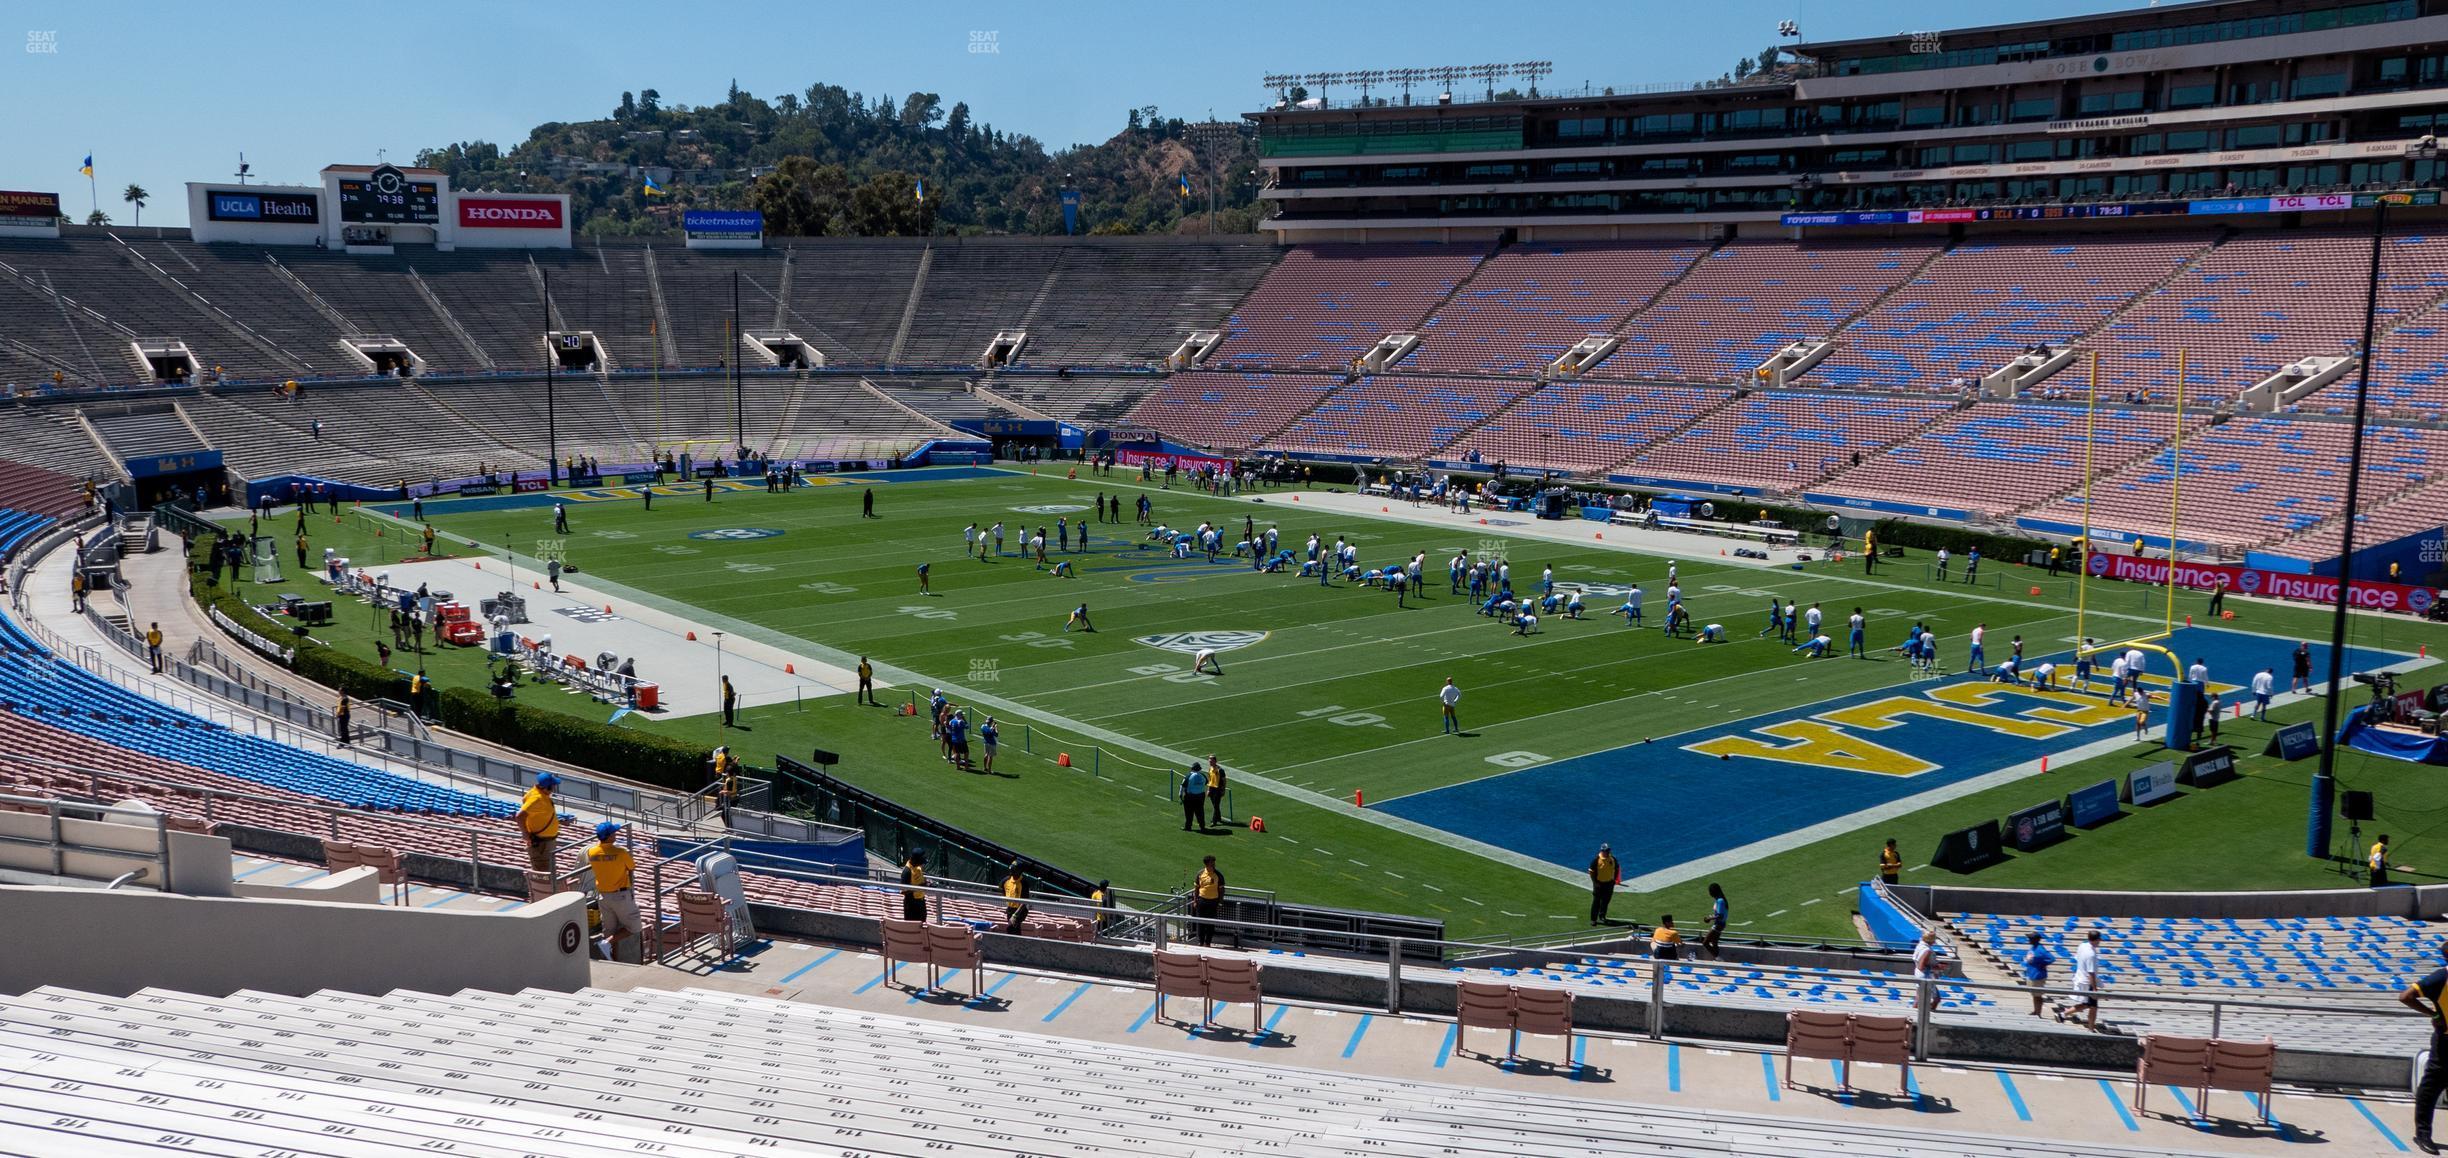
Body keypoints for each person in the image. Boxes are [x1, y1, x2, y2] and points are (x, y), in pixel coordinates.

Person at [2398, 938, 2448, 1152]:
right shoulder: (2441, 978)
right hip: (2446, 1041)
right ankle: (2423, 1135)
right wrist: (2433, 1013)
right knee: (2430, 1088)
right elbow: (2405, 996)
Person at [587, 822, 640, 959]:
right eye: (614, 833)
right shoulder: (621, 852)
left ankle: (608, 956)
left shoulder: (591, 851)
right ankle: (607, 943)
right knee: (634, 927)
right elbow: (631, 867)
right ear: (609, 836)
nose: (616, 834)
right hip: (620, 895)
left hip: (603, 896)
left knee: (609, 929)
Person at [518, 773, 562, 874]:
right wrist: (525, 834)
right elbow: (519, 815)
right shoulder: (536, 798)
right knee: (544, 874)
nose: (554, 788)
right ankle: (546, 890)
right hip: (541, 844)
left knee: (548, 872)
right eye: (553, 786)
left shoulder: (539, 793)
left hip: (546, 843)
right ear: (547, 787)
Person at [2060, 930, 2103, 1030]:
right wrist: (2095, 989)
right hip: (2088, 982)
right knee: (2093, 1007)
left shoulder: (2082, 945)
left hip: (2081, 978)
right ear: (2096, 940)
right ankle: (2091, 1028)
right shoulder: (2091, 954)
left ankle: (2063, 1014)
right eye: (2099, 940)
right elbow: (2091, 973)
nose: (2100, 941)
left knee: (2087, 1004)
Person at [1192, 855, 1227, 948]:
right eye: (1212, 862)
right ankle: (1200, 942)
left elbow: (1222, 890)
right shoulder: (1200, 874)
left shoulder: (1218, 875)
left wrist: (1220, 902)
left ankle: (1208, 943)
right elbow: (1196, 888)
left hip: (1213, 902)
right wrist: (1195, 901)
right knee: (1200, 923)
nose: (1214, 864)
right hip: (1201, 901)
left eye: (1214, 862)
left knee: (1211, 923)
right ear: (1207, 864)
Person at [1912, 928, 1943, 1013]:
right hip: (1925, 975)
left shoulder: (1920, 945)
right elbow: (1921, 966)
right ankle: (1927, 1014)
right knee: (1936, 998)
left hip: (1919, 974)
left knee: (1919, 996)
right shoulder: (1927, 950)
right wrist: (1938, 967)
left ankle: (1915, 1013)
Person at [1587, 843, 1619, 925]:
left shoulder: (1612, 859)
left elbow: (1617, 868)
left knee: (1605, 901)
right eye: (1606, 851)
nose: (1608, 852)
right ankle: (1593, 919)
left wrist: (1614, 880)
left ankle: (1602, 916)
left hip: (1609, 883)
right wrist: (1595, 882)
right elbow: (1591, 872)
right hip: (1599, 884)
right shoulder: (1596, 860)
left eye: (1608, 850)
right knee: (1596, 902)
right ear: (1602, 851)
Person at [899, 849, 929, 922]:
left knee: (922, 927)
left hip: (921, 902)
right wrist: (919, 887)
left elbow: (919, 882)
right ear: (915, 860)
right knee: (913, 929)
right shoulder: (907, 871)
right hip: (911, 905)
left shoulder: (918, 867)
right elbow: (904, 891)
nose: (922, 864)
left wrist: (926, 882)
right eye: (921, 862)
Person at [1001, 863, 1030, 934]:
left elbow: (1024, 901)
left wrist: (1015, 915)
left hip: (1020, 910)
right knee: (1014, 930)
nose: (1011, 872)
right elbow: (1003, 890)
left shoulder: (1024, 883)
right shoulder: (1006, 880)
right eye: (1011, 870)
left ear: (1019, 871)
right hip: (1010, 909)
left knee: (1011, 928)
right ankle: (1018, 943)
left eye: (1013, 870)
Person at [1702, 883, 1728, 960]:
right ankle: (1717, 958)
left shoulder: (1720, 901)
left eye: (1710, 891)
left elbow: (1720, 915)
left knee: (1705, 942)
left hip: (1719, 924)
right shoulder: (1720, 900)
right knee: (1714, 942)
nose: (1709, 893)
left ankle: (1718, 958)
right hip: (1720, 924)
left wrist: (1709, 918)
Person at [1180, 762, 1208, 832]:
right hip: (1200, 796)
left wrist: (1181, 796)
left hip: (1190, 796)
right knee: (1200, 812)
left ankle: (1188, 827)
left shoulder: (1188, 776)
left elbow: (1182, 786)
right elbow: (1206, 782)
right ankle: (1202, 827)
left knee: (1189, 812)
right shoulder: (1203, 776)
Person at [1206, 755, 1229, 826]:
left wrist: (1223, 790)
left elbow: (1224, 780)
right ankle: (1218, 818)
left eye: (1211, 761)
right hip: (1212, 789)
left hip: (1218, 789)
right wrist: (1208, 789)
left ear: (1215, 761)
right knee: (1215, 805)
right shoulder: (1210, 769)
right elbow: (1210, 779)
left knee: (1216, 805)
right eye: (1209, 761)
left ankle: (1214, 821)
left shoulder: (1220, 770)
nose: (1210, 762)